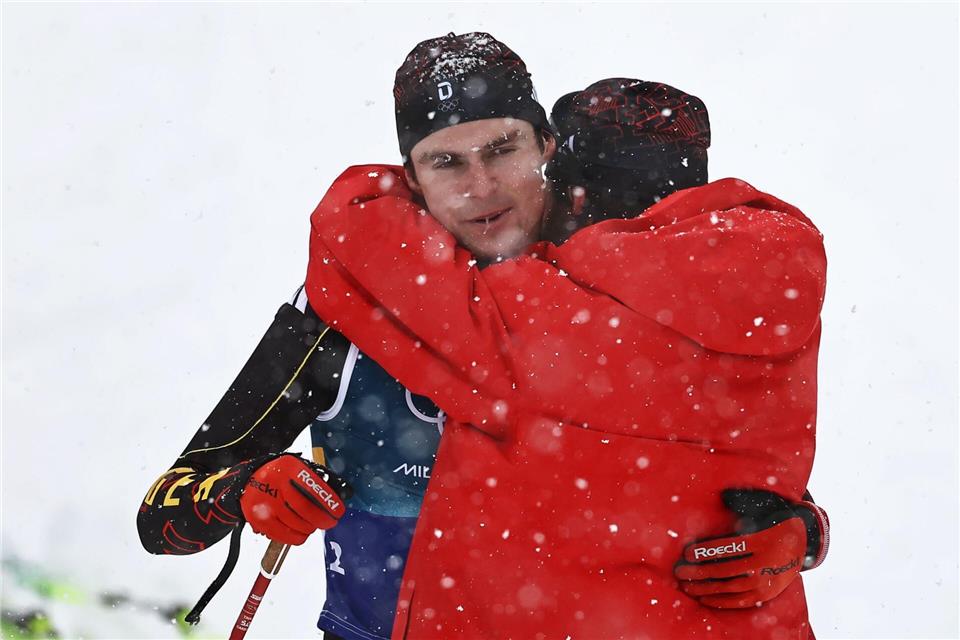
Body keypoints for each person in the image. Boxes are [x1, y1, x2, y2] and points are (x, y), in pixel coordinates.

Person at [138, 33, 827, 640]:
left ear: (547, 148)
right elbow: (164, 511)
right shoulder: (352, 313)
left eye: (502, 149)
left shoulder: (629, 301)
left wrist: (798, 534)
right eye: (446, 163)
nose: (481, 185)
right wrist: (246, 489)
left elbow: (717, 464)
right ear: (410, 177)